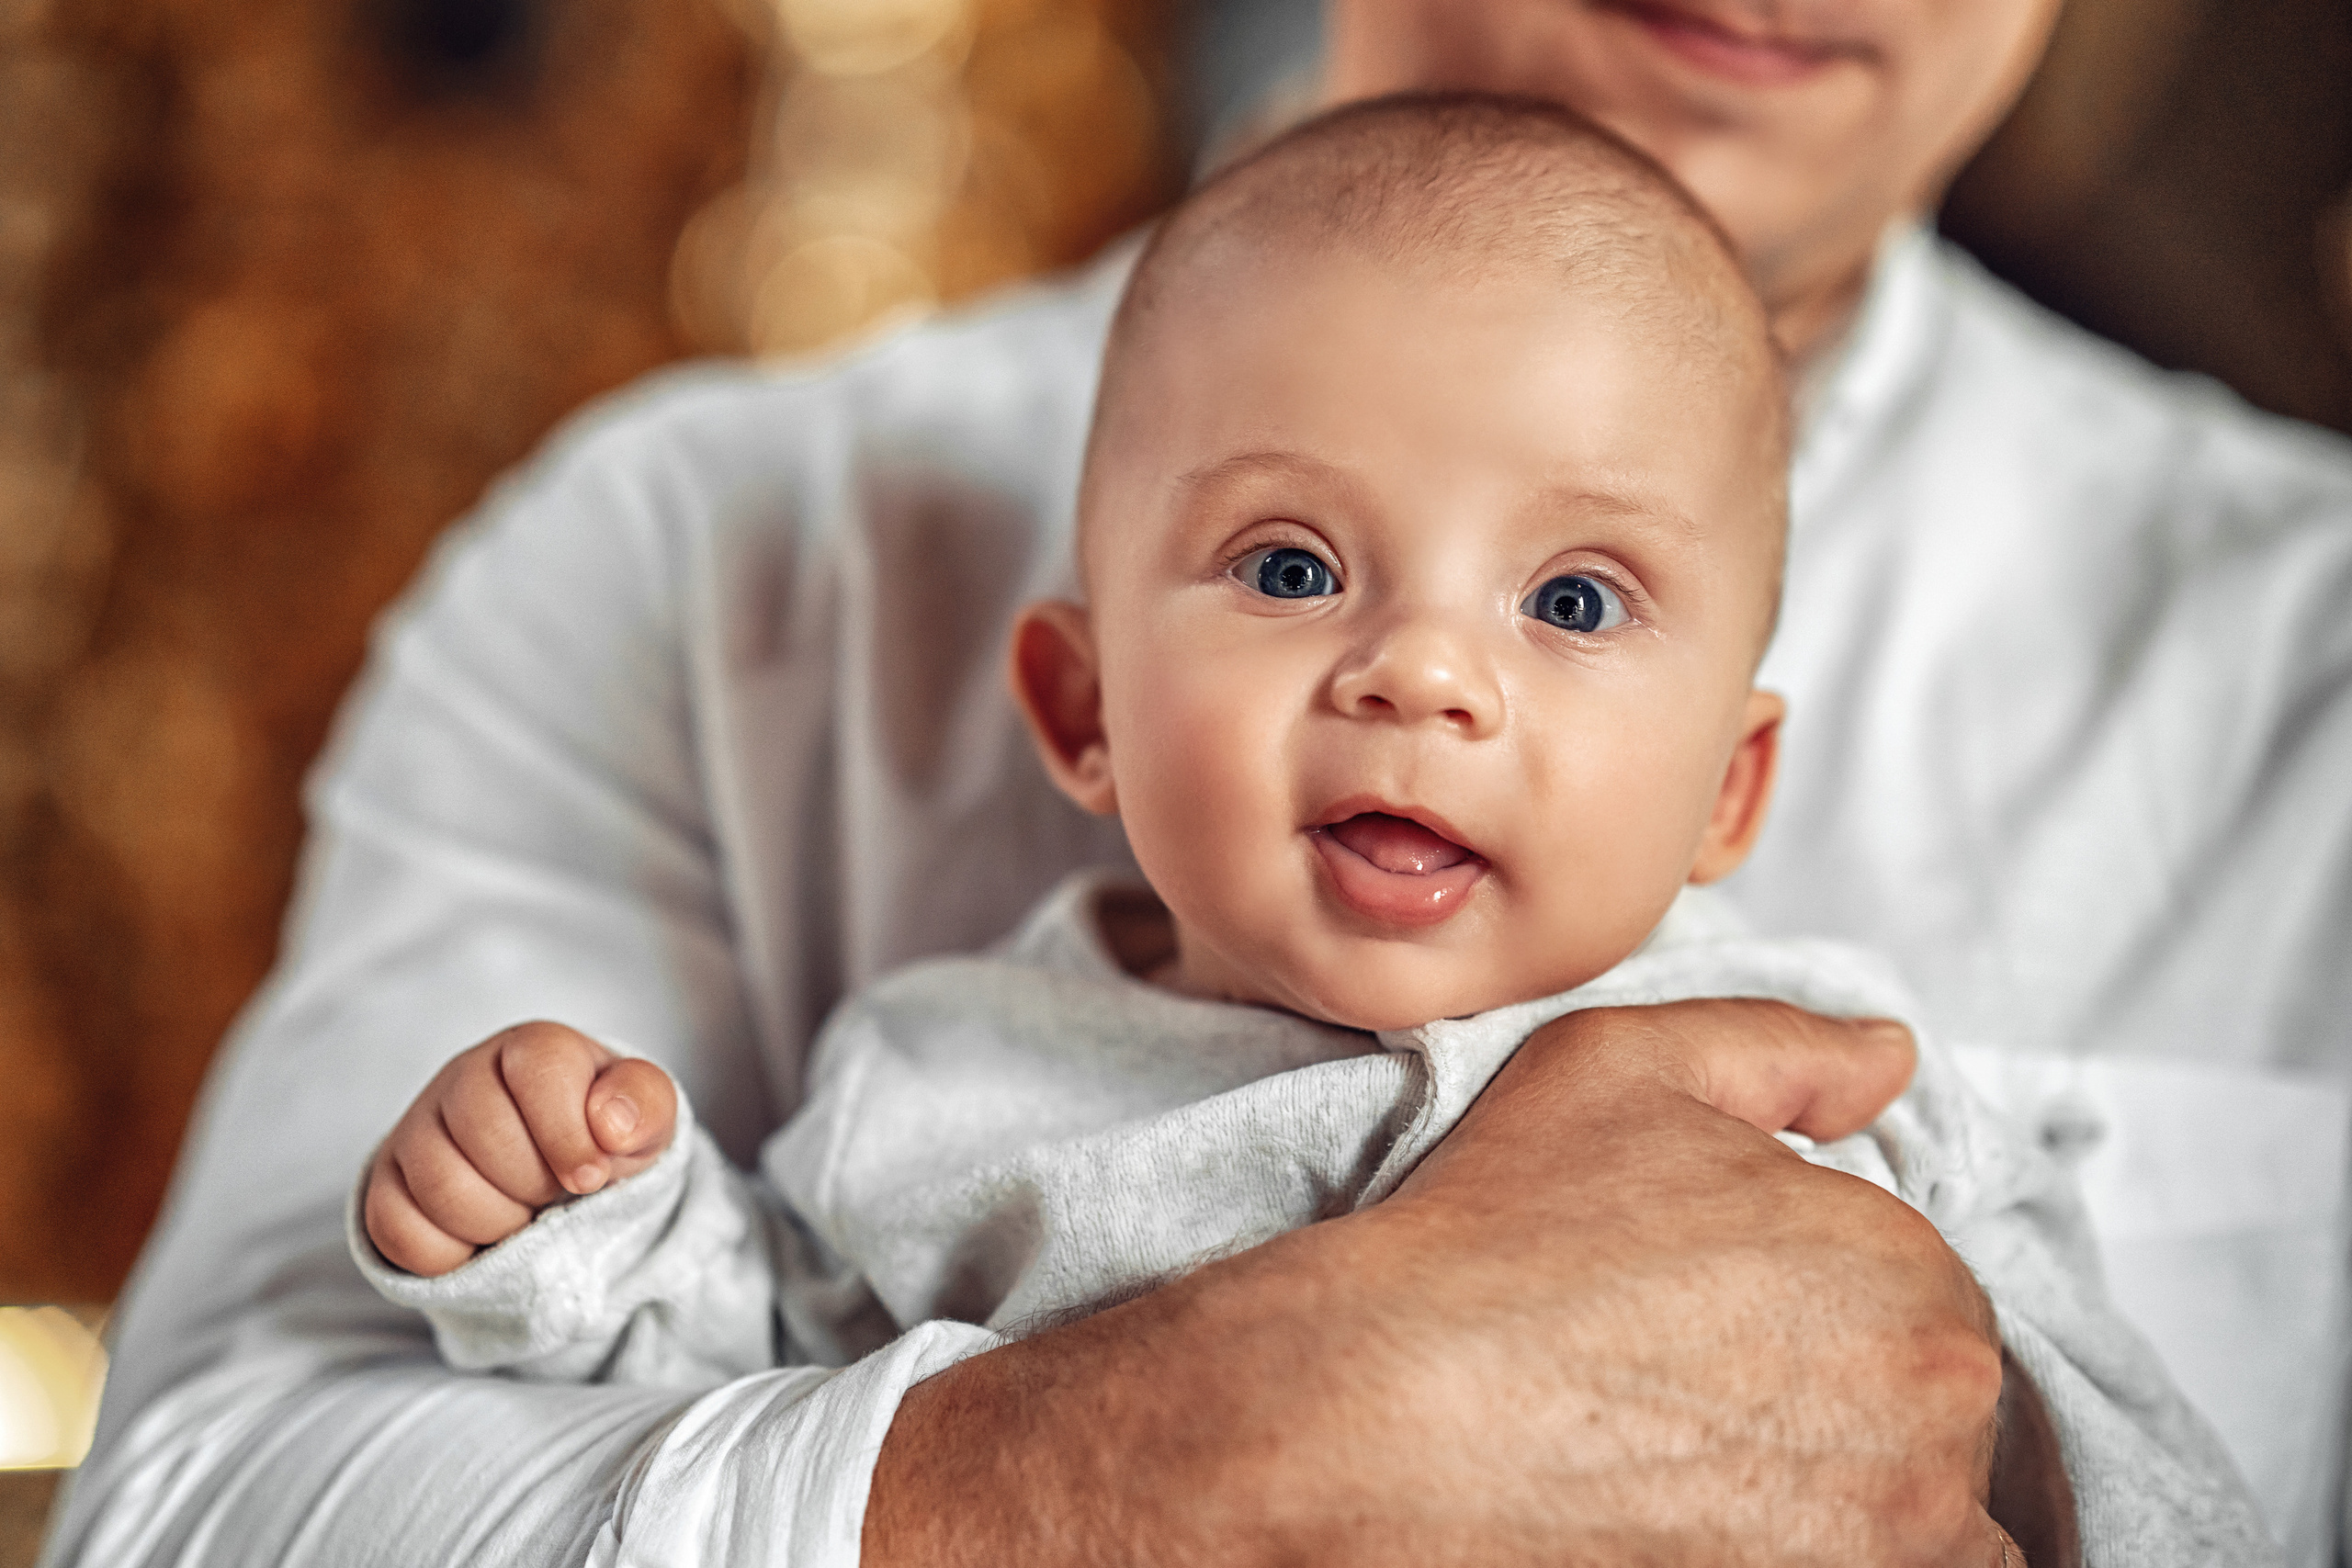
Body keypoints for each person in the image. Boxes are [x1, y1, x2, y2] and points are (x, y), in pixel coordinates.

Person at [43, 1, 2352, 1565]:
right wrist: (1166, 1443)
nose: (1425, 681)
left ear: (1732, 784)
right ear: (1076, 706)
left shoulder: (2272, 696)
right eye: (1282, 565)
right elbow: (213, 1500)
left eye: (1575, 604)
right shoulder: (759, 692)